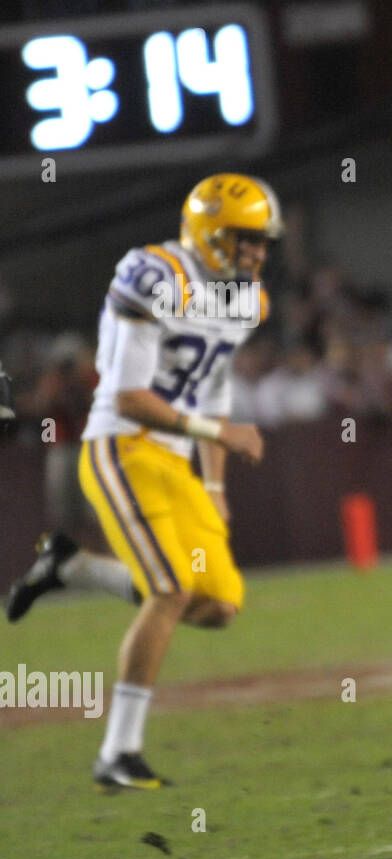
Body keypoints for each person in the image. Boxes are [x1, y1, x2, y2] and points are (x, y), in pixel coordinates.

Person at [5, 174, 278, 791]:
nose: (258, 254)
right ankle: (117, 754)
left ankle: (73, 569)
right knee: (171, 588)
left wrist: (213, 484)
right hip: (120, 448)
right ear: (210, 235)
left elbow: (213, 384)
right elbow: (127, 398)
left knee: (220, 607)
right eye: (246, 240)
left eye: (262, 242)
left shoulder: (243, 300)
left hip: (175, 460)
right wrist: (219, 433)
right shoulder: (153, 275)